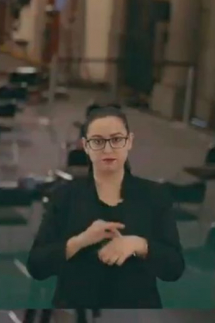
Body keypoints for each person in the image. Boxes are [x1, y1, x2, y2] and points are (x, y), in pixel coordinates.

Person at [26, 104, 185, 312]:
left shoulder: (154, 195)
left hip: (137, 312)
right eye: (98, 141)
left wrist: (139, 245)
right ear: (85, 146)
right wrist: (80, 241)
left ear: (129, 142)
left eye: (116, 140)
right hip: (77, 310)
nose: (108, 149)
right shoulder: (65, 196)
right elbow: (37, 266)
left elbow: (174, 268)